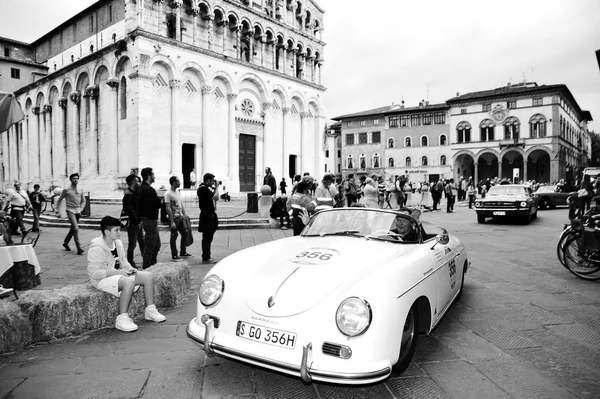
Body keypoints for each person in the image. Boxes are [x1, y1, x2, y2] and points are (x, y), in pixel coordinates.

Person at [87, 216, 166, 332]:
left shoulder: (117, 243)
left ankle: (150, 310)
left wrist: (130, 269)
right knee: (128, 282)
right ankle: (122, 318)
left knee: (147, 276)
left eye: (119, 229)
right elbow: (94, 273)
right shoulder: (96, 248)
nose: (120, 233)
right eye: (116, 230)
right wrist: (118, 272)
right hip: (102, 280)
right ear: (107, 232)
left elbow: (123, 261)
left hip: (119, 275)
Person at [137, 167, 162, 269]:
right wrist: (161, 200)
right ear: (149, 176)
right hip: (151, 220)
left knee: (156, 244)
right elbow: (157, 204)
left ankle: (152, 263)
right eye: (153, 174)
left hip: (146, 219)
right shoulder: (149, 190)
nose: (154, 176)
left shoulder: (141, 188)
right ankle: (148, 266)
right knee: (151, 245)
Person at [165, 176, 193, 262]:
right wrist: (172, 221)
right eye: (178, 181)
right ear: (173, 182)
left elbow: (180, 203)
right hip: (174, 217)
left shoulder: (177, 191)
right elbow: (168, 208)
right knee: (174, 236)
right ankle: (174, 254)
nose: (179, 183)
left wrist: (184, 214)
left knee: (184, 233)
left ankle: (183, 251)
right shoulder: (168, 194)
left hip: (180, 216)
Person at [57, 173, 86, 255]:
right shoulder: (66, 190)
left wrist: (81, 208)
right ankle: (79, 248)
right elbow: (59, 200)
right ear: (71, 180)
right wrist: (57, 211)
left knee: (73, 229)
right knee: (76, 228)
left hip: (78, 211)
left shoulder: (80, 189)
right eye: (74, 178)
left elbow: (84, 200)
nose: (76, 180)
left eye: (77, 178)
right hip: (70, 211)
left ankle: (66, 243)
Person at [122, 175, 145, 269]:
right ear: (133, 182)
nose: (139, 183)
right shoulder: (128, 194)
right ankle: (130, 261)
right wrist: (137, 220)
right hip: (133, 222)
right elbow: (130, 210)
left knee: (141, 240)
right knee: (133, 242)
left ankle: (145, 258)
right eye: (137, 181)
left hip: (137, 221)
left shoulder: (134, 192)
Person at [197, 173, 219, 264]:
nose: (213, 183)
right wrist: (217, 187)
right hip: (207, 215)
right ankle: (206, 257)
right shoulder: (203, 189)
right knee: (207, 237)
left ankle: (207, 255)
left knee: (208, 237)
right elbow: (216, 197)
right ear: (208, 180)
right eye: (212, 181)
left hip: (209, 214)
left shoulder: (206, 188)